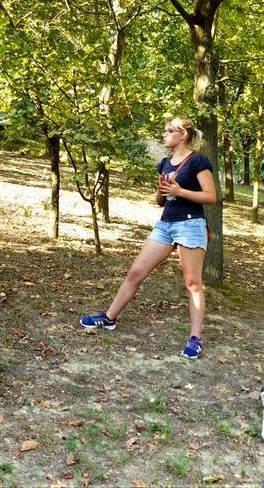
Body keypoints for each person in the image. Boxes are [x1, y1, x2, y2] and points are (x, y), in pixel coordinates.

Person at [80, 116, 216, 359]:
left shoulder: (198, 162)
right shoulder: (164, 163)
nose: (164, 134)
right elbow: (160, 200)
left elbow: (211, 196)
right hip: (165, 224)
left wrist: (180, 190)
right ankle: (109, 318)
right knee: (135, 273)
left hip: (191, 224)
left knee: (192, 283)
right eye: (164, 131)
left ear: (183, 135)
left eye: (169, 131)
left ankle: (195, 339)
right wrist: (163, 191)